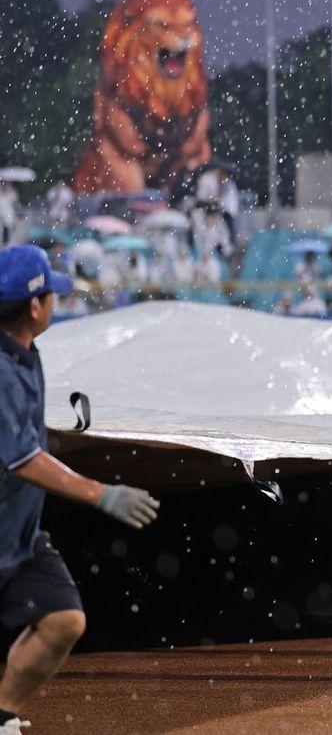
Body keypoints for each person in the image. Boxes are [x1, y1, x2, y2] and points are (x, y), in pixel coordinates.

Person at [0, 245, 161, 730]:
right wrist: (101, 493)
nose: (56, 301)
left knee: (64, 619)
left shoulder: (25, 353)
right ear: (35, 306)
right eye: (51, 294)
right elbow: (21, 460)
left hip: (19, 538)